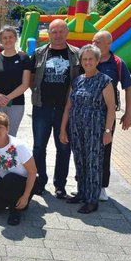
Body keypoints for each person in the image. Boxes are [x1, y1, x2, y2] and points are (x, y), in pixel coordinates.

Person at [60, 44, 116, 214]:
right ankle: (82, 193)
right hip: (76, 127)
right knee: (80, 160)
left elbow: (111, 108)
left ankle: (92, 199)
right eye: (84, 59)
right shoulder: (77, 80)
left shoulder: (105, 81)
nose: (87, 62)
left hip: (95, 129)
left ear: (97, 60)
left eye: (91, 58)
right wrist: (63, 129)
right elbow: (68, 106)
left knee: (93, 163)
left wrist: (108, 132)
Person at [30, 18, 81, 199]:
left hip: (65, 110)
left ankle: (60, 185)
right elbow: (32, 78)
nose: (58, 35)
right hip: (42, 108)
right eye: (54, 31)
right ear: (49, 33)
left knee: (64, 147)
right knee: (38, 147)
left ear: (67, 33)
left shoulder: (76, 54)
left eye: (61, 31)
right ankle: (40, 181)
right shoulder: (38, 53)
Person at [92, 30, 131, 202]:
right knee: (84, 148)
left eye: (98, 43)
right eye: (93, 41)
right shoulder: (87, 59)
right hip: (85, 113)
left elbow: (128, 88)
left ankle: (101, 186)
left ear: (109, 44)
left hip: (106, 114)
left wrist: (128, 113)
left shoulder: (117, 63)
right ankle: (82, 182)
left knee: (104, 148)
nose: (94, 45)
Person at [0, 111, 37, 226]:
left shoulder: (19, 146)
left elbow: (33, 172)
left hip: (23, 181)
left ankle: (16, 210)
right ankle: (12, 200)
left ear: (7, 129)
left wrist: (25, 196)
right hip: (5, 181)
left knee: (10, 178)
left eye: (1, 127)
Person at [0, 26, 33, 136]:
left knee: (11, 137)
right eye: (5, 38)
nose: (8, 40)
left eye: (10, 37)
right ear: (1, 40)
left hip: (15, 104)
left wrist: (7, 98)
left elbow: (25, 84)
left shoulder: (24, 57)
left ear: (16, 38)